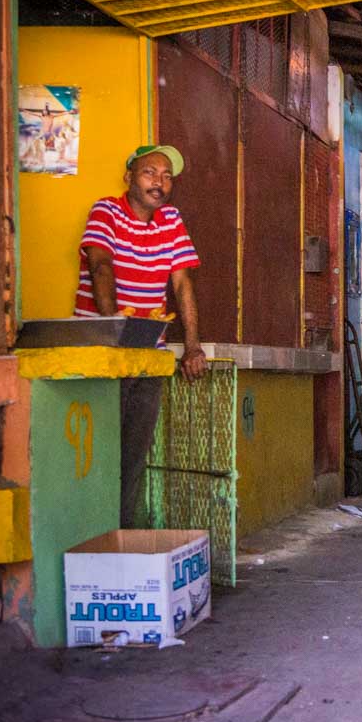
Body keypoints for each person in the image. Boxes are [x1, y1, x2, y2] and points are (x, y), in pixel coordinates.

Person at [75, 145, 208, 527]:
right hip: (106, 353)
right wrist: (114, 330)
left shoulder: (170, 220)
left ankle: (120, 536)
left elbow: (182, 285)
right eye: (150, 172)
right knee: (98, 454)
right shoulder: (107, 211)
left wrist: (193, 346)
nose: (160, 182)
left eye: (167, 176)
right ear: (129, 177)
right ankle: (92, 537)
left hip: (149, 356)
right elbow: (100, 265)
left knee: (132, 457)